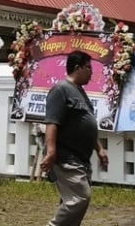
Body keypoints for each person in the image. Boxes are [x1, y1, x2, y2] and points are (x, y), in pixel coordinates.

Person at [40, 51, 109, 226]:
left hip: (81, 160)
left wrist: (99, 149)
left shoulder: (80, 92)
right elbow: (52, 123)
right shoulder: (61, 89)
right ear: (77, 68)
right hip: (65, 157)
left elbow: (85, 124)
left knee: (69, 201)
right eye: (88, 68)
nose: (91, 72)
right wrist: (51, 151)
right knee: (80, 197)